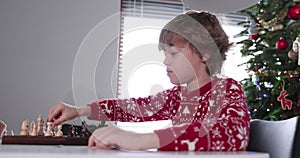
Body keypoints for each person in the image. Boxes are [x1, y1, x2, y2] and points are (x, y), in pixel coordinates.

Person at [48, 11, 250, 151]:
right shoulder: (177, 97)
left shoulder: (227, 89)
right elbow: (133, 108)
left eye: (173, 53)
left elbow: (232, 132)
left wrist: (140, 140)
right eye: (164, 53)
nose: (165, 61)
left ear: (204, 54)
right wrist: (81, 110)